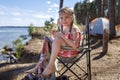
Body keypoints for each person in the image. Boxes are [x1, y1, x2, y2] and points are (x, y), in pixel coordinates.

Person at [25, 7, 81, 79]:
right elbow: (59, 41)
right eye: (61, 18)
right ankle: (39, 67)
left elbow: (75, 46)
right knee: (47, 39)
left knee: (57, 40)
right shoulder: (63, 28)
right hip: (61, 50)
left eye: (66, 17)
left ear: (72, 17)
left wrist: (61, 36)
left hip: (71, 51)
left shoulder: (74, 29)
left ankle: (50, 66)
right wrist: (54, 36)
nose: (64, 20)